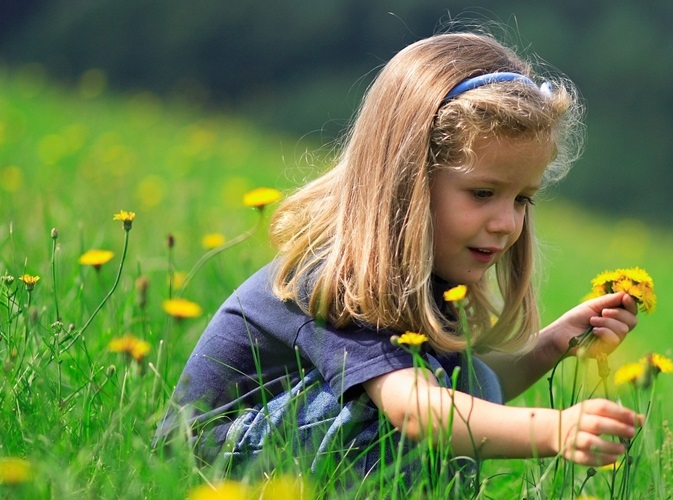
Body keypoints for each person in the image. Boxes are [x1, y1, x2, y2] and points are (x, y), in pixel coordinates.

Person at [154, 31, 642, 487]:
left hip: (282, 448)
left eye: (522, 200)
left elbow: (474, 392)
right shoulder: (341, 278)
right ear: (407, 180)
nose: (506, 223)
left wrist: (552, 344)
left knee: (459, 382)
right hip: (211, 465)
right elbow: (416, 410)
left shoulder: (428, 277)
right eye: (483, 192)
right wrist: (555, 430)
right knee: (403, 423)